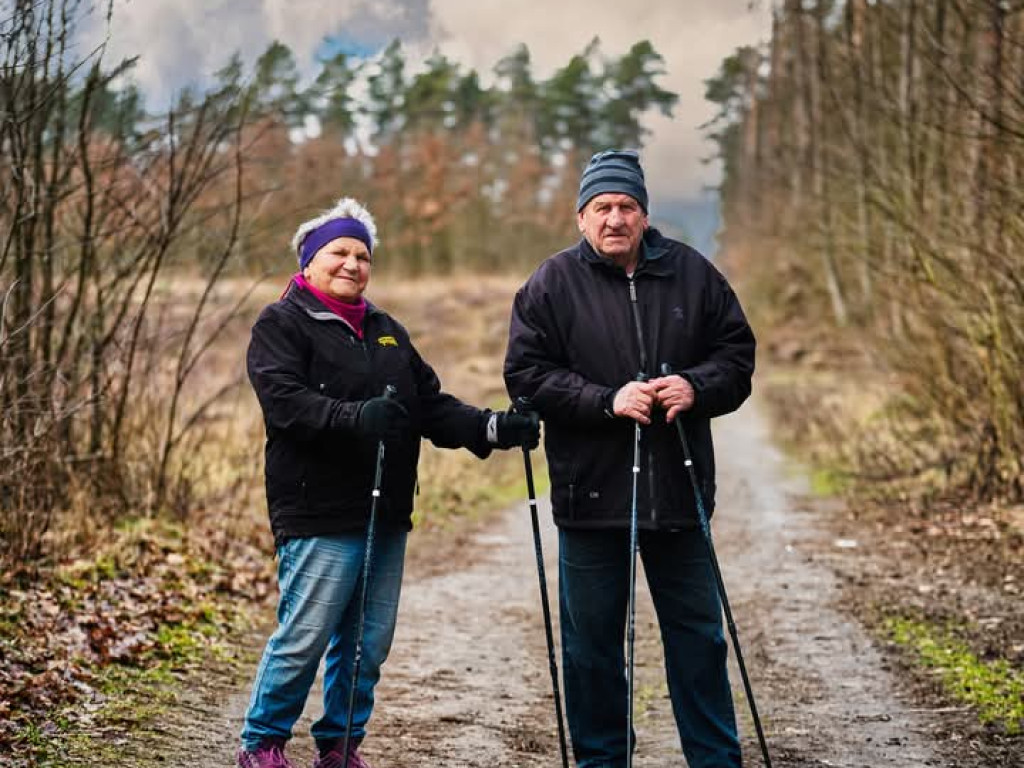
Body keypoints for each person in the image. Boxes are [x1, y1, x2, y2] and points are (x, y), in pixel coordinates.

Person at [239, 197, 540, 768]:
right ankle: (262, 743)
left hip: (386, 510)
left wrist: (496, 427)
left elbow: (430, 407)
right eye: (338, 252)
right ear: (309, 261)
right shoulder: (282, 323)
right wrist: (354, 418)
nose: (352, 264)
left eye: (362, 255)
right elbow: (285, 403)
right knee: (303, 636)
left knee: (365, 645)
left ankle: (339, 747)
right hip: (318, 509)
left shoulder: (386, 331)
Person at [504, 149, 755, 768]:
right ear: (581, 218)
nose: (614, 218)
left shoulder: (695, 275)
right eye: (602, 208)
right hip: (590, 497)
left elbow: (738, 359)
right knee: (591, 650)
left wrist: (696, 386)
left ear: (645, 215)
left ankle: (715, 760)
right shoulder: (550, 283)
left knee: (698, 641)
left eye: (626, 207)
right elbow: (526, 376)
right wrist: (605, 400)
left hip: (679, 494)